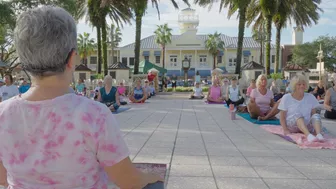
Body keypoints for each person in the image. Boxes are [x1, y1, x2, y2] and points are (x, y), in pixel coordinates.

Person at [0, 6, 162, 189]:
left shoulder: (3, 114)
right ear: (72, 59)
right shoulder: (93, 115)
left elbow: (3, 178)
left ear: (23, 62)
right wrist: (151, 177)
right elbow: (128, 181)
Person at [278, 74, 324, 142]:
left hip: (306, 125)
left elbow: (313, 114)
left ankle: (319, 134)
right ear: (294, 86)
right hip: (293, 125)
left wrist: (315, 127)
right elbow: (282, 117)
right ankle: (308, 135)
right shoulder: (286, 97)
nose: (302, 86)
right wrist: (285, 130)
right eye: (299, 84)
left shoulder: (310, 97)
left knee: (316, 115)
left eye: (303, 84)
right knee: (298, 115)